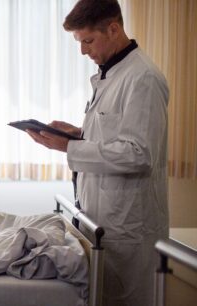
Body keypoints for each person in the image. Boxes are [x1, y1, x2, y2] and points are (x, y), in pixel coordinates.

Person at [26, 0, 169, 305]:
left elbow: (138, 154)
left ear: (114, 29)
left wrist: (70, 146)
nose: (83, 51)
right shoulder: (111, 75)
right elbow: (114, 137)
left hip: (128, 228)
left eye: (88, 41)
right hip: (102, 223)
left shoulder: (142, 79)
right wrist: (77, 133)